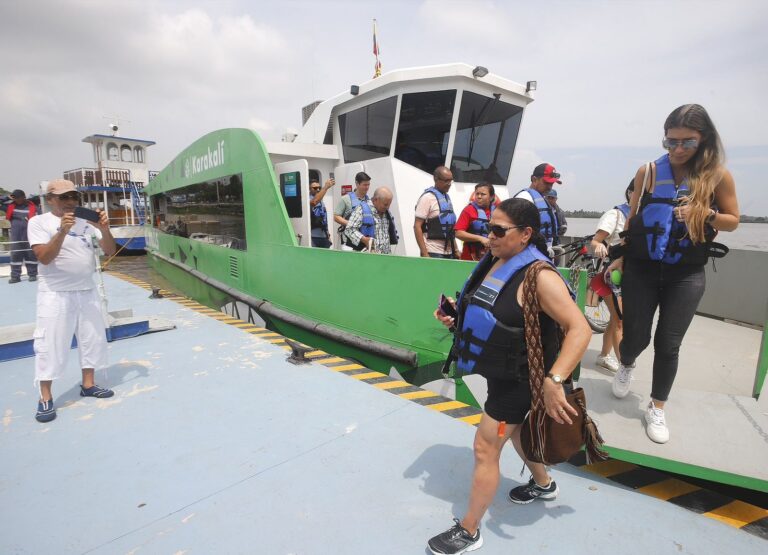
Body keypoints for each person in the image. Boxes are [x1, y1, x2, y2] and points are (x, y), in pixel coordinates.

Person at [427, 198, 591, 555]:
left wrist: (555, 379)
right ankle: (544, 485)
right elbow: (497, 313)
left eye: (498, 231)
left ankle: (469, 531)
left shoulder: (540, 276)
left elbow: (580, 328)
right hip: (500, 372)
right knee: (515, 436)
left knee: (486, 447)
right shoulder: (496, 261)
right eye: (489, 228)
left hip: (521, 381)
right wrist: (456, 318)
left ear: (525, 234)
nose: (489, 237)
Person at [606, 104, 739, 444]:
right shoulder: (648, 171)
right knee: (635, 336)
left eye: (687, 142)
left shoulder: (718, 176)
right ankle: (627, 363)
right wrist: (619, 256)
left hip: (687, 272)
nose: (678, 149)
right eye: (671, 142)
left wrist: (705, 213)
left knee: (669, 343)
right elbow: (632, 220)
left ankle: (657, 406)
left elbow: (733, 220)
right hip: (642, 269)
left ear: (704, 139)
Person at [27, 179, 118, 423]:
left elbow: (110, 251)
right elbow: (44, 258)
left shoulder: (87, 224)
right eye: (63, 197)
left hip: (86, 291)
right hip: (55, 294)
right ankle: (45, 397)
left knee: (92, 340)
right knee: (50, 346)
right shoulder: (38, 222)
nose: (69, 202)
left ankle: (88, 384)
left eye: (73, 197)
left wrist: (104, 228)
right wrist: (62, 231)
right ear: (50, 200)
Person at [589, 180, 634, 373]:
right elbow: (596, 240)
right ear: (630, 192)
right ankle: (625, 368)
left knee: (616, 319)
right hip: (614, 274)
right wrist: (599, 246)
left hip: (637, 274)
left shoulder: (646, 216)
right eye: (639, 192)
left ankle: (603, 356)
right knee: (621, 321)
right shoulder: (616, 214)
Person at [513, 163, 562, 254]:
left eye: (551, 184)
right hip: (529, 255)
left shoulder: (543, 199)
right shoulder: (524, 198)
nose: (549, 187)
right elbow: (515, 230)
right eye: (546, 183)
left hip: (543, 254)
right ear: (534, 179)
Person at [414, 166, 458, 258]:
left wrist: (456, 249)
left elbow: (450, 228)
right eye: (446, 180)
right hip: (432, 251)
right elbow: (417, 226)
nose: (449, 184)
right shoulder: (427, 198)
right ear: (436, 179)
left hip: (449, 252)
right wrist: (424, 253)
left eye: (451, 180)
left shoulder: (447, 198)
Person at [343, 186, 398, 254]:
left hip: (385, 257)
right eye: (385, 204)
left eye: (389, 205)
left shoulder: (387, 213)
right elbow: (349, 230)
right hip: (367, 257)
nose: (387, 207)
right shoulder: (361, 210)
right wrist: (364, 239)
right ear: (375, 200)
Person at [455, 183, 495, 261]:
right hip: (469, 258)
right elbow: (458, 233)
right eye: (477, 194)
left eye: (483, 194)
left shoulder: (497, 212)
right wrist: (480, 239)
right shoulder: (468, 210)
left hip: (489, 258)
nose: (479, 197)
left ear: (491, 197)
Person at [6, 189, 39, 283]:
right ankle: (15, 276)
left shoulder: (33, 207)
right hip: (15, 237)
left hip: (29, 236)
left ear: (23, 197)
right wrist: (7, 197)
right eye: (14, 197)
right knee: (15, 256)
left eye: (17, 197)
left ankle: (32, 274)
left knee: (30, 255)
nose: (15, 199)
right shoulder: (10, 206)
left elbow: (40, 220)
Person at [333, 171, 371, 248]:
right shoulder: (346, 199)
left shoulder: (369, 201)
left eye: (368, 185)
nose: (367, 187)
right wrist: (350, 223)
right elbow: (336, 216)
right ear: (357, 184)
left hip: (365, 240)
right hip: (349, 241)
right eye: (364, 185)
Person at [309, 177, 335, 248]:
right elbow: (314, 202)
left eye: (319, 188)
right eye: (314, 188)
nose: (317, 189)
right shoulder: (307, 199)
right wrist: (325, 187)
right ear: (309, 189)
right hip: (312, 237)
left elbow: (324, 218)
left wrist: (328, 234)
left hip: (324, 236)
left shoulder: (321, 202)